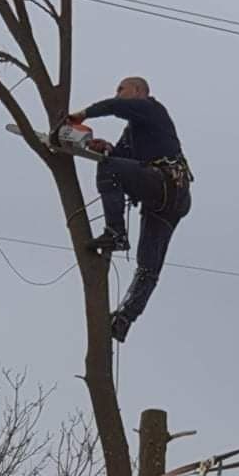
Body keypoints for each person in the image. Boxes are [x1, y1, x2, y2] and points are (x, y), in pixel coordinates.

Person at [68, 76, 193, 343]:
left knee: (109, 170)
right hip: (166, 200)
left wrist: (82, 114)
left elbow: (115, 107)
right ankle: (124, 319)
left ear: (138, 91)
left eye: (121, 89)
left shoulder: (151, 108)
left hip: (167, 183)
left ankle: (115, 233)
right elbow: (120, 160)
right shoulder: (134, 132)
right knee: (148, 268)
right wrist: (103, 147)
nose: (117, 93)